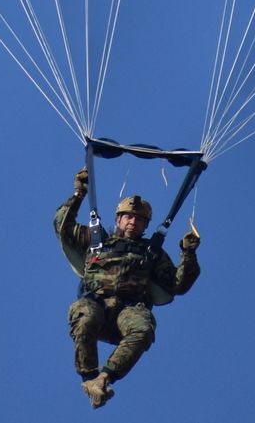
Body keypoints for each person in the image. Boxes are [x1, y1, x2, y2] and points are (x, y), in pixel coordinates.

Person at [55, 167, 201, 409]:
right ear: (118, 219)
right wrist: (79, 194)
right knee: (85, 315)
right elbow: (62, 225)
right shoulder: (96, 241)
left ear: (145, 226)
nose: (133, 222)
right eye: (128, 217)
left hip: (130, 308)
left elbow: (178, 284)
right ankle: (90, 378)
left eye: (139, 219)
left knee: (144, 328)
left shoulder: (151, 252)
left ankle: (105, 377)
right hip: (96, 302)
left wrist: (188, 254)